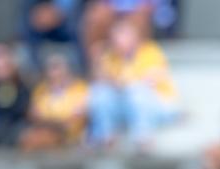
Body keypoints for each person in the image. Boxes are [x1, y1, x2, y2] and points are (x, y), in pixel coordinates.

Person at [88, 18, 178, 150]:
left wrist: (121, 83)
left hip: (157, 104)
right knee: (99, 92)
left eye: (122, 35)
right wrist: (96, 60)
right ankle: (104, 136)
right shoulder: (110, 56)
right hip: (126, 106)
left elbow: (150, 79)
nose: (117, 40)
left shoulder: (150, 51)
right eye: (115, 36)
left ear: (135, 37)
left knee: (136, 91)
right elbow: (99, 80)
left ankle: (143, 138)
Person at [20, 53, 89, 151]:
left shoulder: (80, 89)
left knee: (41, 139)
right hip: (45, 131)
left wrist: (51, 120)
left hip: (70, 136)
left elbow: (78, 118)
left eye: (57, 67)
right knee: (29, 138)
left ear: (68, 69)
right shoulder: (41, 90)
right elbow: (34, 115)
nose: (55, 73)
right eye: (51, 68)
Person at [0, 44, 31, 147]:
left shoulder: (20, 86)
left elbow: (18, 112)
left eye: (4, 66)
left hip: (12, 130)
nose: (0, 70)